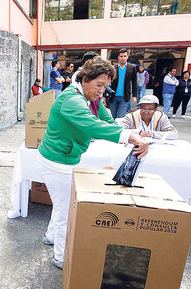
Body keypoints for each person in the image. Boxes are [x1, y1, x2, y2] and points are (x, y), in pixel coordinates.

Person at [37, 56, 149, 269]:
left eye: (106, 86)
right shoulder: (72, 99)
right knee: (66, 210)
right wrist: (129, 137)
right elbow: (92, 126)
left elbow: (106, 121)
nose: (102, 91)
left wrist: (133, 132)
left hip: (66, 158)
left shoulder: (91, 97)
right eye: (99, 85)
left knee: (62, 203)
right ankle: (60, 256)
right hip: (56, 160)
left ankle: (51, 236)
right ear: (85, 79)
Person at [109, 48, 138, 119]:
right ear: (118, 57)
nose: (123, 58)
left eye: (125, 56)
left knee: (120, 118)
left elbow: (134, 82)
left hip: (124, 97)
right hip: (113, 96)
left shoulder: (132, 68)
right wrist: (104, 96)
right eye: (121, 56)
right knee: (113, 117)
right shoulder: (113, 68)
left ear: (127, 57)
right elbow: (107, 82)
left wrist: (135, 96)